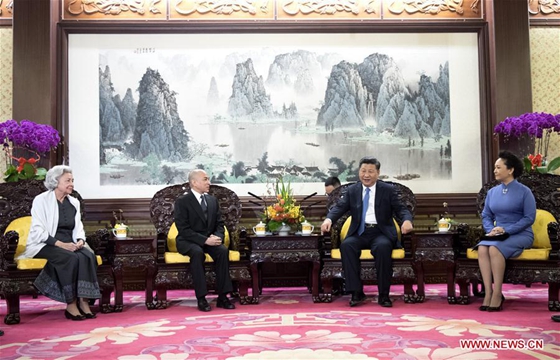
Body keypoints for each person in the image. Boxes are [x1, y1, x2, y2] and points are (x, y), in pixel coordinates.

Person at [320, 157, 413, 308]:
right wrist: (328, 220)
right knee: (347, 246)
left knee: (383, 248)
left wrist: (407, 221)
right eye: (363, 171)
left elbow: (402, 209)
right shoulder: (352, 190)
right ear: (359, 172)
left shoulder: (387, 190)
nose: (366, 175)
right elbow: (338, 208)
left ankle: (384, 294)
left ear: (378, 173)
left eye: (370, 171)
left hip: (381, 232)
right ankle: (356, 292)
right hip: (359, 232)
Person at [18, 165, 100, 320]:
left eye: (72, 180)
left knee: (88, 256)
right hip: (45, 244)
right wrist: (61, 245)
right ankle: (71, 304)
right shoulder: (41, 200)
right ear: (56, 182)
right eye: (68, 180)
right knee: (71, 258)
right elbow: (38, 230)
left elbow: (78, 227)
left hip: (70, 242)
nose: (72, 184)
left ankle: (84, 301)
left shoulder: (74, 202)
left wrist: (81, 240)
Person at [477, 150, 536, 312]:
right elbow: (486, 216)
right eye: (494, 168)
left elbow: (529, 218)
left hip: (520, 234)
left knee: (495, 248)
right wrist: (491, 230)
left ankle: (497, 293)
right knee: (482, 248)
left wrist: (507, 230)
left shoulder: (525, 192)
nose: (495, 171)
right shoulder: (492, 192)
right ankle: (488, 292)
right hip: (496, 234)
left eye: (498, 167)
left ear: (510, 170)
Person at [174, 169, 235, 312]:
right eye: (205, 179)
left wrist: (218, 237)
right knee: (197, 252)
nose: (209, 182)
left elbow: (220, 224)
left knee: (222, 251)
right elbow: (183, 230)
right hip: (188, 240)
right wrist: (205, 240)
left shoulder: (212, 200)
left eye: (208, 179)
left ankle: (223, 297)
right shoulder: (182, 202)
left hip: (209, 240)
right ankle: (201, 298)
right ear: (194, 182)